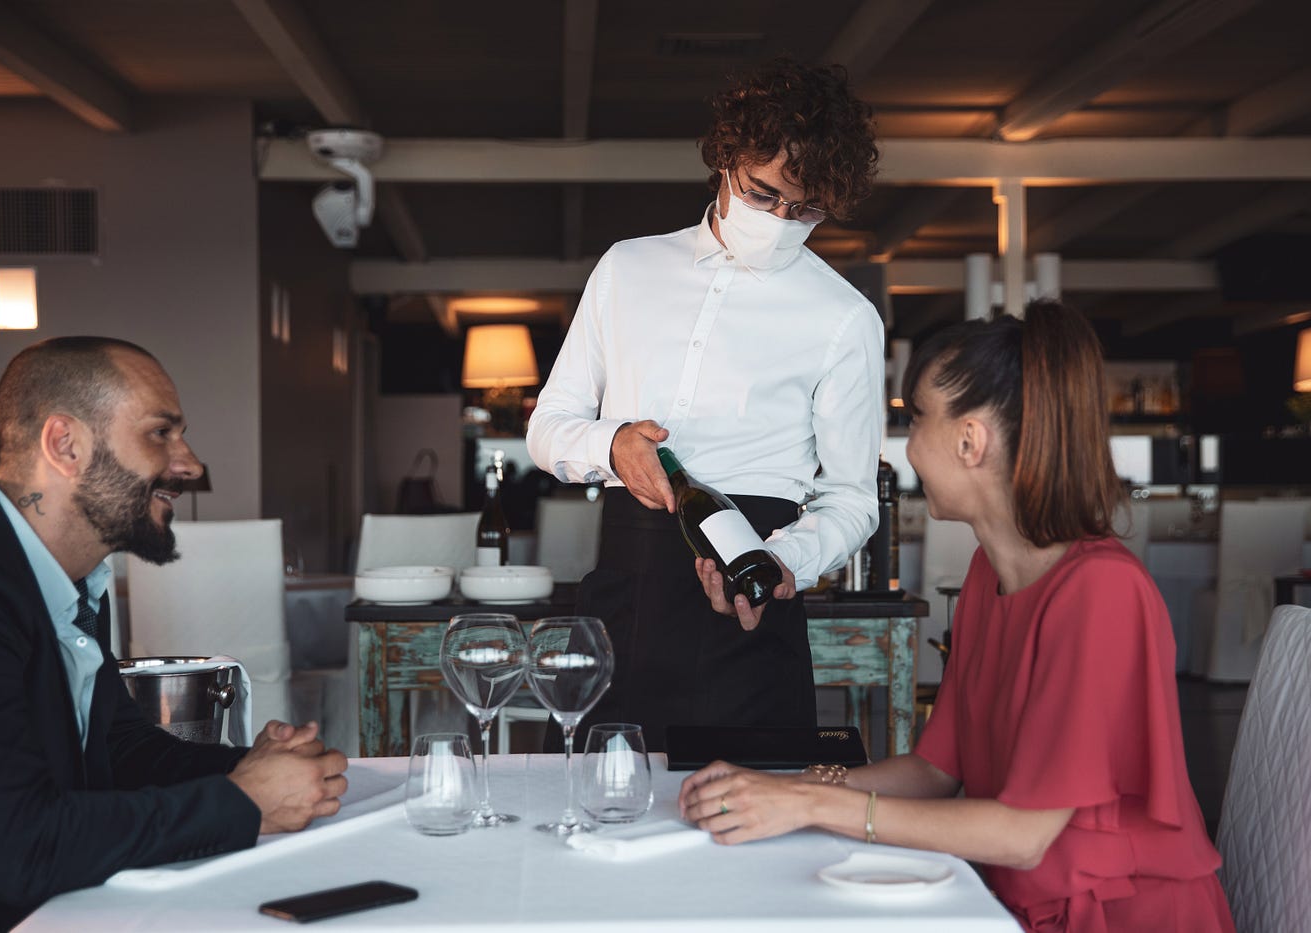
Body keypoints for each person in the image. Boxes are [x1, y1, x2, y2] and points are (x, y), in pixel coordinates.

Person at [677, 301, 1234, 931]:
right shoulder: (987, 573)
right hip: (1012, 904)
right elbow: (935, 771)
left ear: (971, 441)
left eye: (917, 418)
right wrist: (790, 787)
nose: (908, 446)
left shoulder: (1102, 590)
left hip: (1122, 916)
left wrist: (808, 804)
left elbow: (1023, 835)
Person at [0, 337, 349, 933]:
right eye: (160, 433)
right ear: (65, 445)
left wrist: (253, 766)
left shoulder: (69, 577)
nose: (190, 464)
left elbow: (120, 752)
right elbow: (22, 848)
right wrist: (246, 802)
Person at [527, 57, 885, 750]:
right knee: (595, 799)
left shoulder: (845, 316)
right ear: (725, 158)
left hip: (751, 591)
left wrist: (783, 562)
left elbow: (852, 499)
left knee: (748, 809)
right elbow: (548, 425)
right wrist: (611, 445)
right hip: (626, 588)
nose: (780, 220)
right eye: (763, 193)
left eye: (805, 209)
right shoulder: (626, 268)